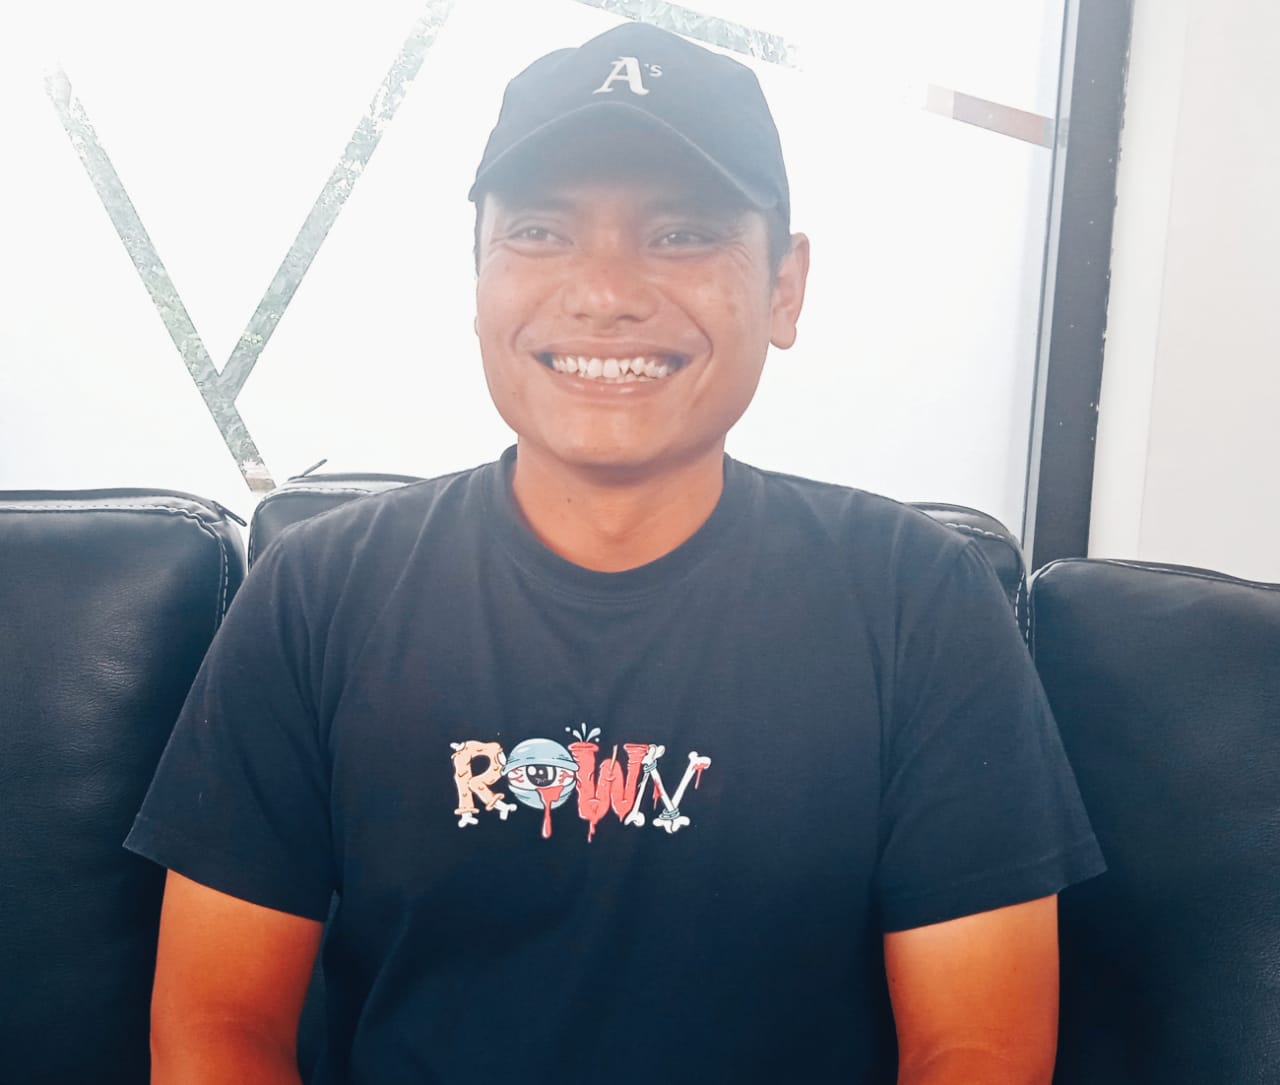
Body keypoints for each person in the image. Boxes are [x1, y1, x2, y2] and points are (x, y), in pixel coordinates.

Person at [126, 21, 1104, 1084]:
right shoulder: (318, 595)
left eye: (681, 234)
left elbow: (977, 1048)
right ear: (477, 278)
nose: (604, 290)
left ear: (784, 287)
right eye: (540, 231)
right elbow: (218, 1024)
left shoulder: (920, 603)